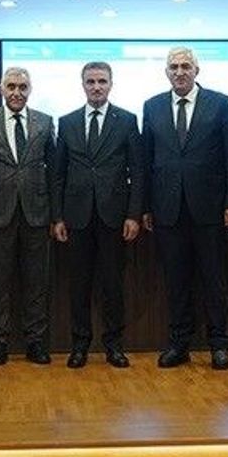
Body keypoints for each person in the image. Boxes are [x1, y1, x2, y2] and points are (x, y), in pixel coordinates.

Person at [142, 46, 228, 370]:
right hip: (167, 210)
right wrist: (146, 206)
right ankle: (179, 344)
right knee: (176, 282)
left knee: (214, 280)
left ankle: (219, 345)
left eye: (186, 66)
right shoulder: (152, 106)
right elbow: (146, 160)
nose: (180, 72)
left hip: (210, 209)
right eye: (174, 67)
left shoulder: (221, 103)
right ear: (166, 72)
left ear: (197, 70)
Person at [50, 62, 143, 368]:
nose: (96, 87)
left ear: (111, 84)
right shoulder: (67, 122)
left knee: (112, 284)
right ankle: (80, 346)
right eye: (90, 82)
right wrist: (58, 217)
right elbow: (58, 175)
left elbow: (137, 171)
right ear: (83, 85)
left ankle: (114, 345)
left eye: (102, 81)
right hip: (76, 218)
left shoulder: (127, 121)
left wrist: (133, 214)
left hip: (114, 217)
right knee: (79, 285)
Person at [0, 67, 55, 366]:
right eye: (11, 86)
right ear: (1, 89)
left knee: (36, 282)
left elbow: (54, 173)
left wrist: (56, 216)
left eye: (22, 87)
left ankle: (36, 342)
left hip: (37, 214)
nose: (16, 93)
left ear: (30, 89)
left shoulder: (45, 122)